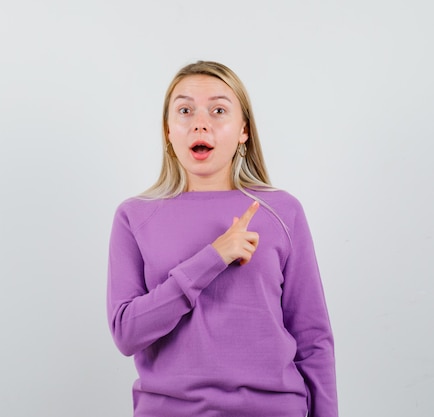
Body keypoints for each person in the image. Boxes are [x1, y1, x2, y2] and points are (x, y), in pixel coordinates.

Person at [106, 61, 338, 417]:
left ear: (243, 130)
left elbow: (313, 340)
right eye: (185, 110)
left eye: (218, 110)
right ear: (168, 130)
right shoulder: (134, 216)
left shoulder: (281, 211)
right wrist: (213, 257)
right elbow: (126, 333)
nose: (201, 122)